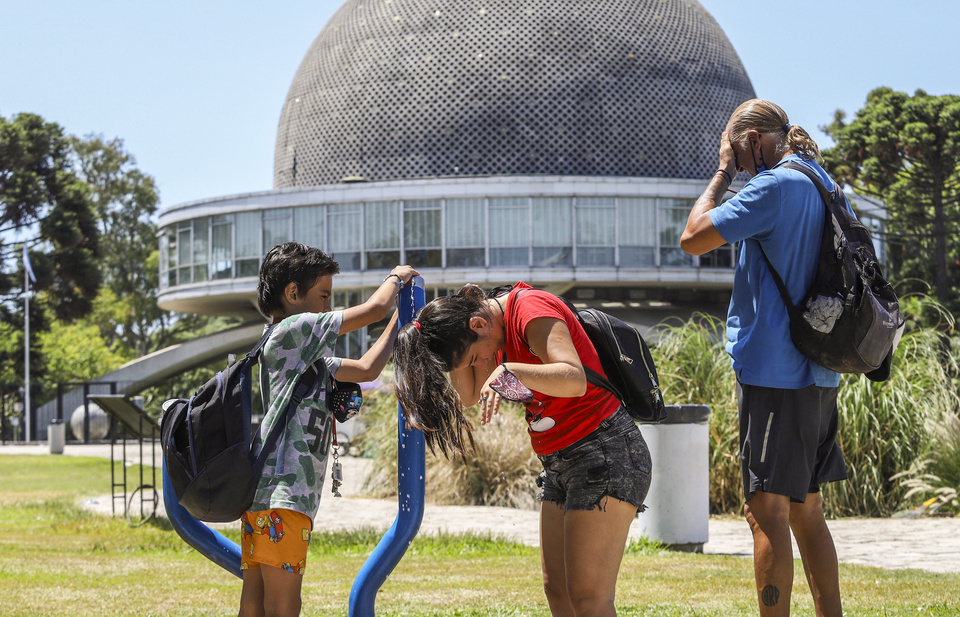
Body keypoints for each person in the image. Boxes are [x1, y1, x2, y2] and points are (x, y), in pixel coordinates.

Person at [393, 282, 652, 617]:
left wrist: (509, 369)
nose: (483, 362)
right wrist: (456, 354)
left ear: (478, 324)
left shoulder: (530, 309)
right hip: (559, 463)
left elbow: (574, 378)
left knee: (589, 597)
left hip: (604, 450)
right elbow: (469, 396)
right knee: (557, 591)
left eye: (475, 356)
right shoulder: (487, 329)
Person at [680, 99, 848, 617]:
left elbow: (692, 238)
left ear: (752, 139)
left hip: (776, 373)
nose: (736, 158)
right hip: (821, 371)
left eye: (736, 146)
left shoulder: (771, 187)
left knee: (765, 513)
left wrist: (722, 172)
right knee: (807, 512)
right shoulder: (821, 180)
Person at [238, 241, 418, 617]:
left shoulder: (307, 358)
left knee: (255, 605)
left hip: (267, 497)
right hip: (283, 498)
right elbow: (373, 308)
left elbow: (368, 369)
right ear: (292, 293)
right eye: (323, 296)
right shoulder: (293, 329)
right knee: (285, 606)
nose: (327, 306)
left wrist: (399, 321)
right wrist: (396, 278)